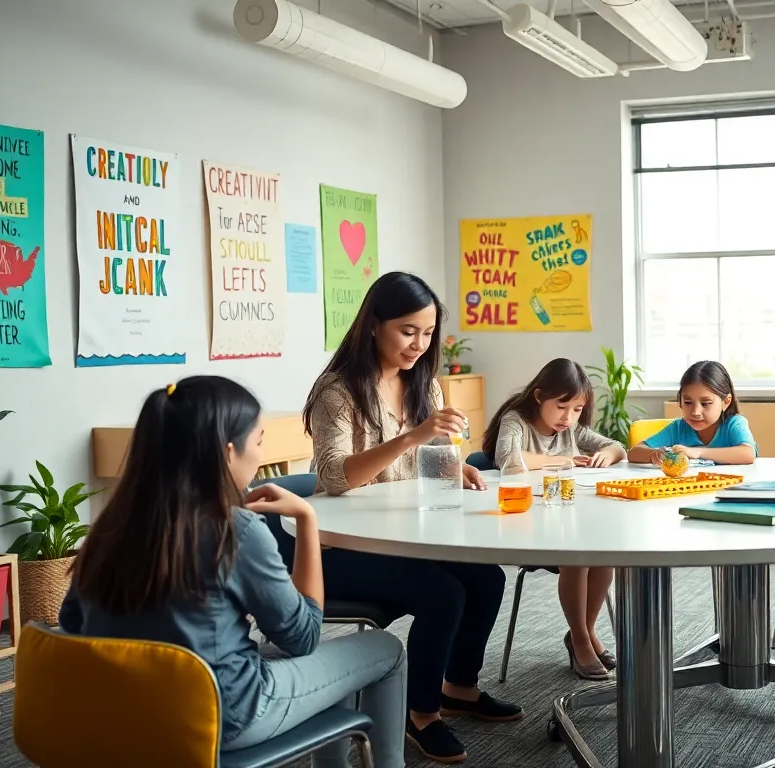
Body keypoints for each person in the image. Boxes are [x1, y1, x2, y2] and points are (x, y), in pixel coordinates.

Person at [58, 377, 408, 768]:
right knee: (386, 649)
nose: (261, 454)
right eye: (258, 441)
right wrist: (308, 520)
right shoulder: (236, 530)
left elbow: (71, 623)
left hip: (127, 716)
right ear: (228, 453)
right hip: (228, 716)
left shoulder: (109, 526)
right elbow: (303, 637)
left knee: (332, 665)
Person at [302, 272, 519, 764]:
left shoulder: (425, 384)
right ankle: (420, 714)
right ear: (374, 325)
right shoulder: (339, 390)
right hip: (344, 546)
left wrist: (456, 466)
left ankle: (458, 688)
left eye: (427, 333)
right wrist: (411, 437)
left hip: (407, 535)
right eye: (408, 331)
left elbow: (434, 459)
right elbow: (336, 476)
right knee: (443, 594)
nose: (419, 345)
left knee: (486, 580)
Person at [482, 358, 625, 680]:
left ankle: (582, 634)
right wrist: (562, 459)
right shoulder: (516, 420)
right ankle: (581, 639)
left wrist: (608, 455)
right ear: (538, 396)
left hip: (561, 514)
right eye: (562, 407)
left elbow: (617, 446)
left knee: (603, 555)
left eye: (576, 410)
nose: (568, 417)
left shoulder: (570, 428)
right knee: (577, 557)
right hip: (523, 519)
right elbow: (509, 458)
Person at [627, 360, 757, 466]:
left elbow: (747, 454)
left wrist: (697, 452)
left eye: (706, 403)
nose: (695, 412)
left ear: (726, 401)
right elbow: (633, 453)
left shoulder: (733, 424)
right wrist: (654, 454)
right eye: (688, 402)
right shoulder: (678, 428)